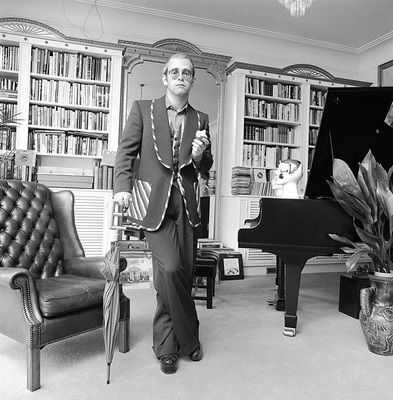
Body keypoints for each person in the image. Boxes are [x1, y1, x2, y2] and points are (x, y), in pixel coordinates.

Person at [113, 53, 213, 374]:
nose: (180, 77)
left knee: (176, 274)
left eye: (187, 73)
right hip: (152, 203)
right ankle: (188, 337)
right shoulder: (143, 109)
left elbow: (205, 166)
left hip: (186, 207)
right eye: (175, 72)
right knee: (170, 270)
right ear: (165, 78)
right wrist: (121, 188)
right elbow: (127, 152)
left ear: (192, 80)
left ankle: (166, 346)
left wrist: (200, 156)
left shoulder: (201, 118)